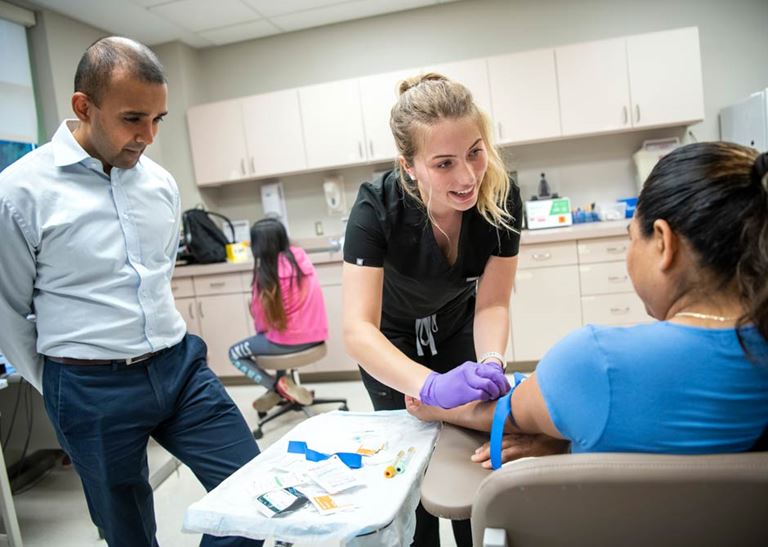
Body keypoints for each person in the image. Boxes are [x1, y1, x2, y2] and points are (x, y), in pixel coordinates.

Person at [0, 37, 262, 547]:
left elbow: (156, 276)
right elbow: (7, 310)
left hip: (179, 368)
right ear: (83, 107)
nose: (147, 136)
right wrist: (61, 383)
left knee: (253, 500)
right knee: (128, 534)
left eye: (158, 119)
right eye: (132, 118)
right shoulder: (18, 194)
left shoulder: (159, 184)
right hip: (88, 386)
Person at [406, 142, 768, 468]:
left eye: (631, 236)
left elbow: (502, 411)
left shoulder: (597, 362)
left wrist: (429, 401)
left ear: (663, 243)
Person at [342, 73, 554, 547]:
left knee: (468, 467)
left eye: (475, 152)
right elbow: (358, 330)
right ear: (409, 166)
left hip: (460, 328)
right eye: (443, 163)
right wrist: (429, 385)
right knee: (412, 477)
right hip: (390, 342)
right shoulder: (376, 207)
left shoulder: (501, 197)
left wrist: (493, 361)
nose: (467, 177)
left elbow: (494, 300)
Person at [228, 218, 328, 410]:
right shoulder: (301, 259)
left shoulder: (266, 274)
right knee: (278, 331)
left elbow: (262, 324)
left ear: (256, 246)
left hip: (286, 341)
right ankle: (285, 383)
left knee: (234, 353)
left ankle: (276, 387)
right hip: (317, 336)